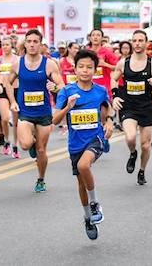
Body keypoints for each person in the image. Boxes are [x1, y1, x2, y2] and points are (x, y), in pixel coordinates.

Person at [53, 49, 114, 240]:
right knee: (81, 183)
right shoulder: (66, 91)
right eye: (81, 67)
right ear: (75, 69)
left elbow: (108, 109)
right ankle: (88, 217)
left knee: (83, 165)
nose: (85, 70)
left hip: (95, 139)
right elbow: (54, 120)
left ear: (95, 70)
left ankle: (95, 203)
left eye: (89, 67)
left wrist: (110, 121)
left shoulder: (100, 91)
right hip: (75, 144)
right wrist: (68, 107)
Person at [8, 29, 64, 193]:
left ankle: (41, 179)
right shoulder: (18, 63)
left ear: (41, 45)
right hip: (25, 112)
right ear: (25, 44)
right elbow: (7, 83)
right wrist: (12, 102)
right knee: (25, 144)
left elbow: (61, 85)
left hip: (44, 113)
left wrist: (54, 87)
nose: (32, 45)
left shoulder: (49, 64)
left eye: (35, 42)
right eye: (29, 41)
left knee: (41, 150)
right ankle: (31, 143)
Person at [111, 30, 152, 186]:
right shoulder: (123, 63)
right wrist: (115, 96)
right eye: (134, 40)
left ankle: (142, 170)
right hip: (128, 107)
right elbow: (113, 80)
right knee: (130, 137)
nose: (137, 43)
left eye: (141, 40)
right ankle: (133, 153)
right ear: (132, 42)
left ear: (146, 42)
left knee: (146, 145)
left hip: (147, 107)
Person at [0, 36, 19, 157]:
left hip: (15, 90)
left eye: (7, 45)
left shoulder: (17, 59)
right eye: (3, 45)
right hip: (3, 90)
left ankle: (15, 145)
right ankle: (6, 141)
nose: (5, 47)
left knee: (15, 121)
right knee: (4, 118)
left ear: (12, 46)